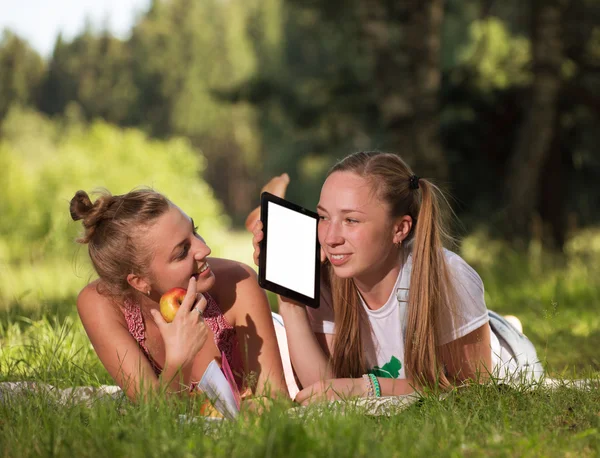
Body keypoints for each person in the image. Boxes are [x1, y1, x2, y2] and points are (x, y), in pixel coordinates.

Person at [249, 151, 544, 405]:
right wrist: (290, 300)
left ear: (400, 229)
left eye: (351, 220)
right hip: (420, 359)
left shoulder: (447, 277)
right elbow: (325, 389)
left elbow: (471, 391)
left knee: (498, 336)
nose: (331, 237)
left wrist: (368, 387)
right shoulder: (326, 276)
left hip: (504, 359)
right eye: (324, 217)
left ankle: (503, 326)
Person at [70, 188, 290, 404]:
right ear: (139, 281)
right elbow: (153, 414)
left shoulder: (240, 282)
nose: (205, 249)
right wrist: (179, 359)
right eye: (183, 251)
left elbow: (276, 401)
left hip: (288, 348)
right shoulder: (100, 303)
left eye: (194, 232)